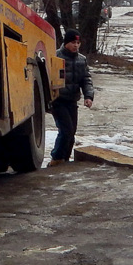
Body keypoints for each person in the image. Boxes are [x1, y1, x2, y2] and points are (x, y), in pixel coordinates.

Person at [49, 29, 94, 166]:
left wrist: (88, 96)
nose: (76, 45)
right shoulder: (55, 57)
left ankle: (65, 159)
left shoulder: (81, 60)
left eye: (78, 42)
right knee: (66, 130)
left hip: (72, 100)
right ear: (66, 43)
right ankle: (56, 158)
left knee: (72, 132)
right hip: (58, 100)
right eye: (73, 42)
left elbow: (86, 79)